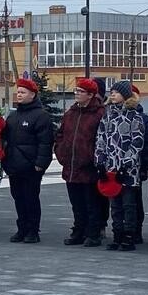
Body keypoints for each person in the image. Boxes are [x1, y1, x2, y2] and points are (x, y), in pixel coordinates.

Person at [1, 78, 54, 244]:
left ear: (33, 94)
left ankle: (32, 230)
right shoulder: (13, 115)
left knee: (31, 198)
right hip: (14, 165)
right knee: (18, 198)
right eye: (18, 92)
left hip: (31, 166)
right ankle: (22, 228)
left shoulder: (41, 116)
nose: (19, 95)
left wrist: (41, 163)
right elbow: (4, 137)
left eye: (23, 92)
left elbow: (45, 142)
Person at [95, 81, 146, 251]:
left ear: (125, 95)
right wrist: (100, 161)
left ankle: (129, 236)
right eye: (112, 92)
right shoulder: (107, 114)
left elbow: (137, 143)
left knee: (128, 205)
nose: (112, 95)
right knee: (115, 205)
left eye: (116, 92)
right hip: (110, 169)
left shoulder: (134, 116)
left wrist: (126, 164)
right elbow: (100, 139)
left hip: (128, 171)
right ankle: (117, 235)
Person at [55, 77, 105, 247]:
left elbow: (102, 139)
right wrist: (61, 153)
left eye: (81, 91)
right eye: (76, 90)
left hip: (89, 167)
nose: (77, 94)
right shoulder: (70, 113)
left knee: (91, 203)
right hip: (71, 166)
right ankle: (78, 231)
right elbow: (60, 135)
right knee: (76, 204)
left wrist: (93, 158)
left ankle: (93, 233)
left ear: (91, 95)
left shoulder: (100, 113)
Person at [130, 84, 148, 244]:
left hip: (136, 166)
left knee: (134, 201)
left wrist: (144, 167)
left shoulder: (142, 118)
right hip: (116, 166)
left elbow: (147, 145)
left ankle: (135, 230)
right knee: (120, 202)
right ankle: (124, 229)